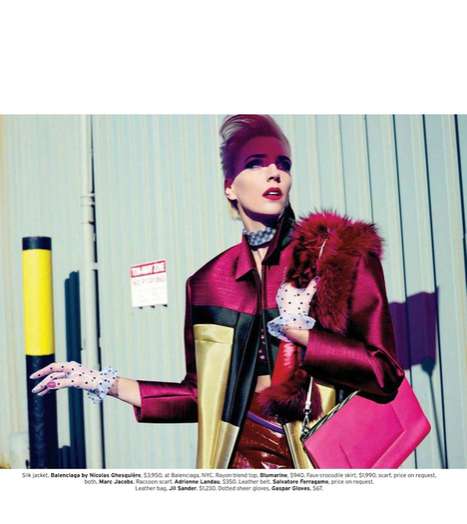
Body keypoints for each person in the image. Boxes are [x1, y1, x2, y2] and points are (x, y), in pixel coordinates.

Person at [30, 114, 405, 469]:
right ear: (230, 186)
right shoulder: (209, 282)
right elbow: (201, 397)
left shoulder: (338, 255)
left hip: (316, 455)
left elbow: (384, 372)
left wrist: (302, 334)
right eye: (255, 163)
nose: (274, 172)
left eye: (283, 164)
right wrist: (106, 383)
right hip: (236, 458)